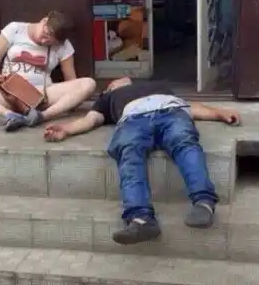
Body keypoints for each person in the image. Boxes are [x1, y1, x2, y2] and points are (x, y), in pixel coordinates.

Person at [44, 77, 241, 245]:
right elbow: (90, 120)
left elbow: (190, 107)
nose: (121, 79)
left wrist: (219, 113)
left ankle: (204, 203)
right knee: (128, 152)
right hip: (133, 120)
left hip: (171, 111)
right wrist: (66, 129)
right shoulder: (106, 99)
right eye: (114, 81)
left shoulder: (157, 86)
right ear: (109, 88)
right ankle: (141, 219)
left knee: (183, 141)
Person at [0, 11, 96, 132]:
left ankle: (41, 117)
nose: (44, 41)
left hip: (42, 96)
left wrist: (72, 101)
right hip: (9, 94)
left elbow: (71, 80)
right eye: (45, 34)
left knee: (88, 83)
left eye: (50, 42)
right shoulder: (15, 29)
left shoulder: (63, 45)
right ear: (44, 21)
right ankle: (9, 115)